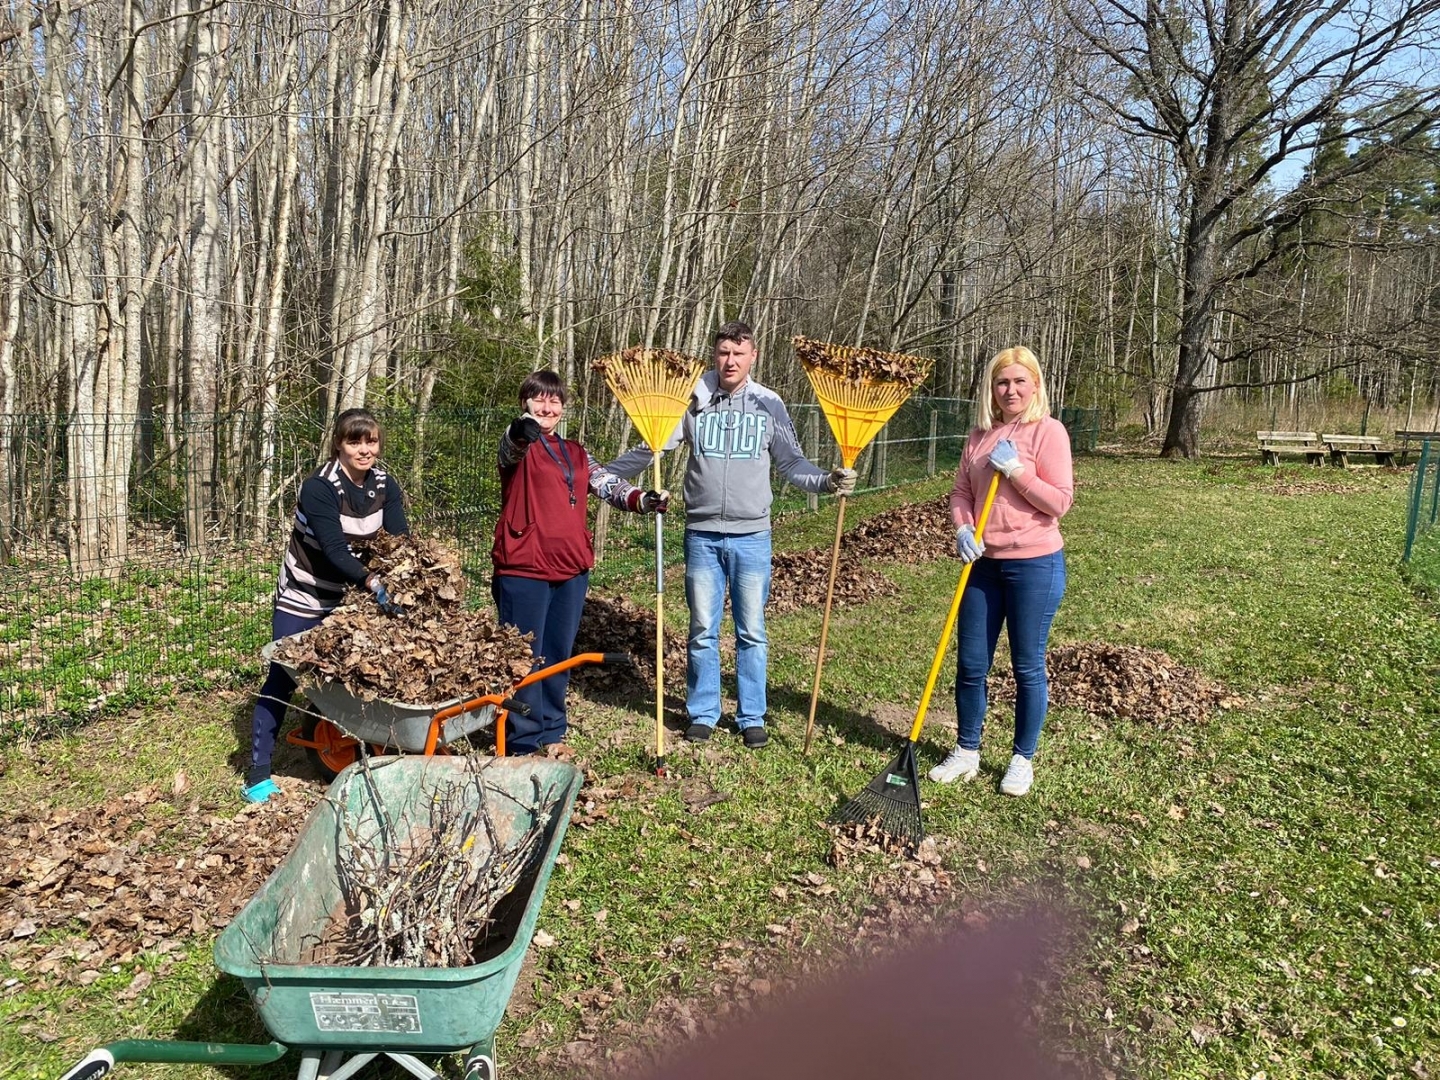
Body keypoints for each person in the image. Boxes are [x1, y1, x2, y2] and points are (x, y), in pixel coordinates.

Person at [607, 321, 857, 749]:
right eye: (723, 353)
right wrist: (603, 475)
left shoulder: (768, 404)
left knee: (752, 630)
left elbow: (792, 464)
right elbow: (652, 446)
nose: (730, 361)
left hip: (752, 536)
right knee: (703, 628)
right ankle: (703, 712)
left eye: (738, 354)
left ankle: (751, 715)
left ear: (752, 356)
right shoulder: (693, 399)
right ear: (714, 355)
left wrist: (828, 482)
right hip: (702, 535)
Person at [492, 370, 669, 756]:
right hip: (525, 567)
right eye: (538, 399)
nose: (546, 407)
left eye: (554, 400)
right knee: (523, 654)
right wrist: (522, 430)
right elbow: (510, 448)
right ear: (525, 403)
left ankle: (553, 730)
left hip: (571, 567)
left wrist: (643, 500)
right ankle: (522, 737)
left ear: (563, 407)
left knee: (558, 652)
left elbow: (607, 483)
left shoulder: (575, 451)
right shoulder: (519, 442)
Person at [243, 408, 409, 803]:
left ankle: (359, 744)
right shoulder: (320, 487)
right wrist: (373, 581)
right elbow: (334, 549)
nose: (364, 450)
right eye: (355, 441)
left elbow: (399, 537)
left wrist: (406, 575)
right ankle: (257, 773)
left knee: (359, 673)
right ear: (339, 444)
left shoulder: (385, 483)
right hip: (307, 593)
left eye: (371, 441)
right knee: (284, 678)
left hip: (352, 597)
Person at [930, 346, 1073, 796]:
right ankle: (968, 750)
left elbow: (1060, 503)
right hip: (983, 566)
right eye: (1001, 382)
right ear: (991, 388)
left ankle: (1021, 759)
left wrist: (1015, 471)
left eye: (1018, 381)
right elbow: (959, 493)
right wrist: (962, 528)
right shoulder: (979, 435)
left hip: (1035, 565)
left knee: (1027, 664)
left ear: (1034, 385)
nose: (1010, 390)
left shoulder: (1048, 433)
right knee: (972, 663)